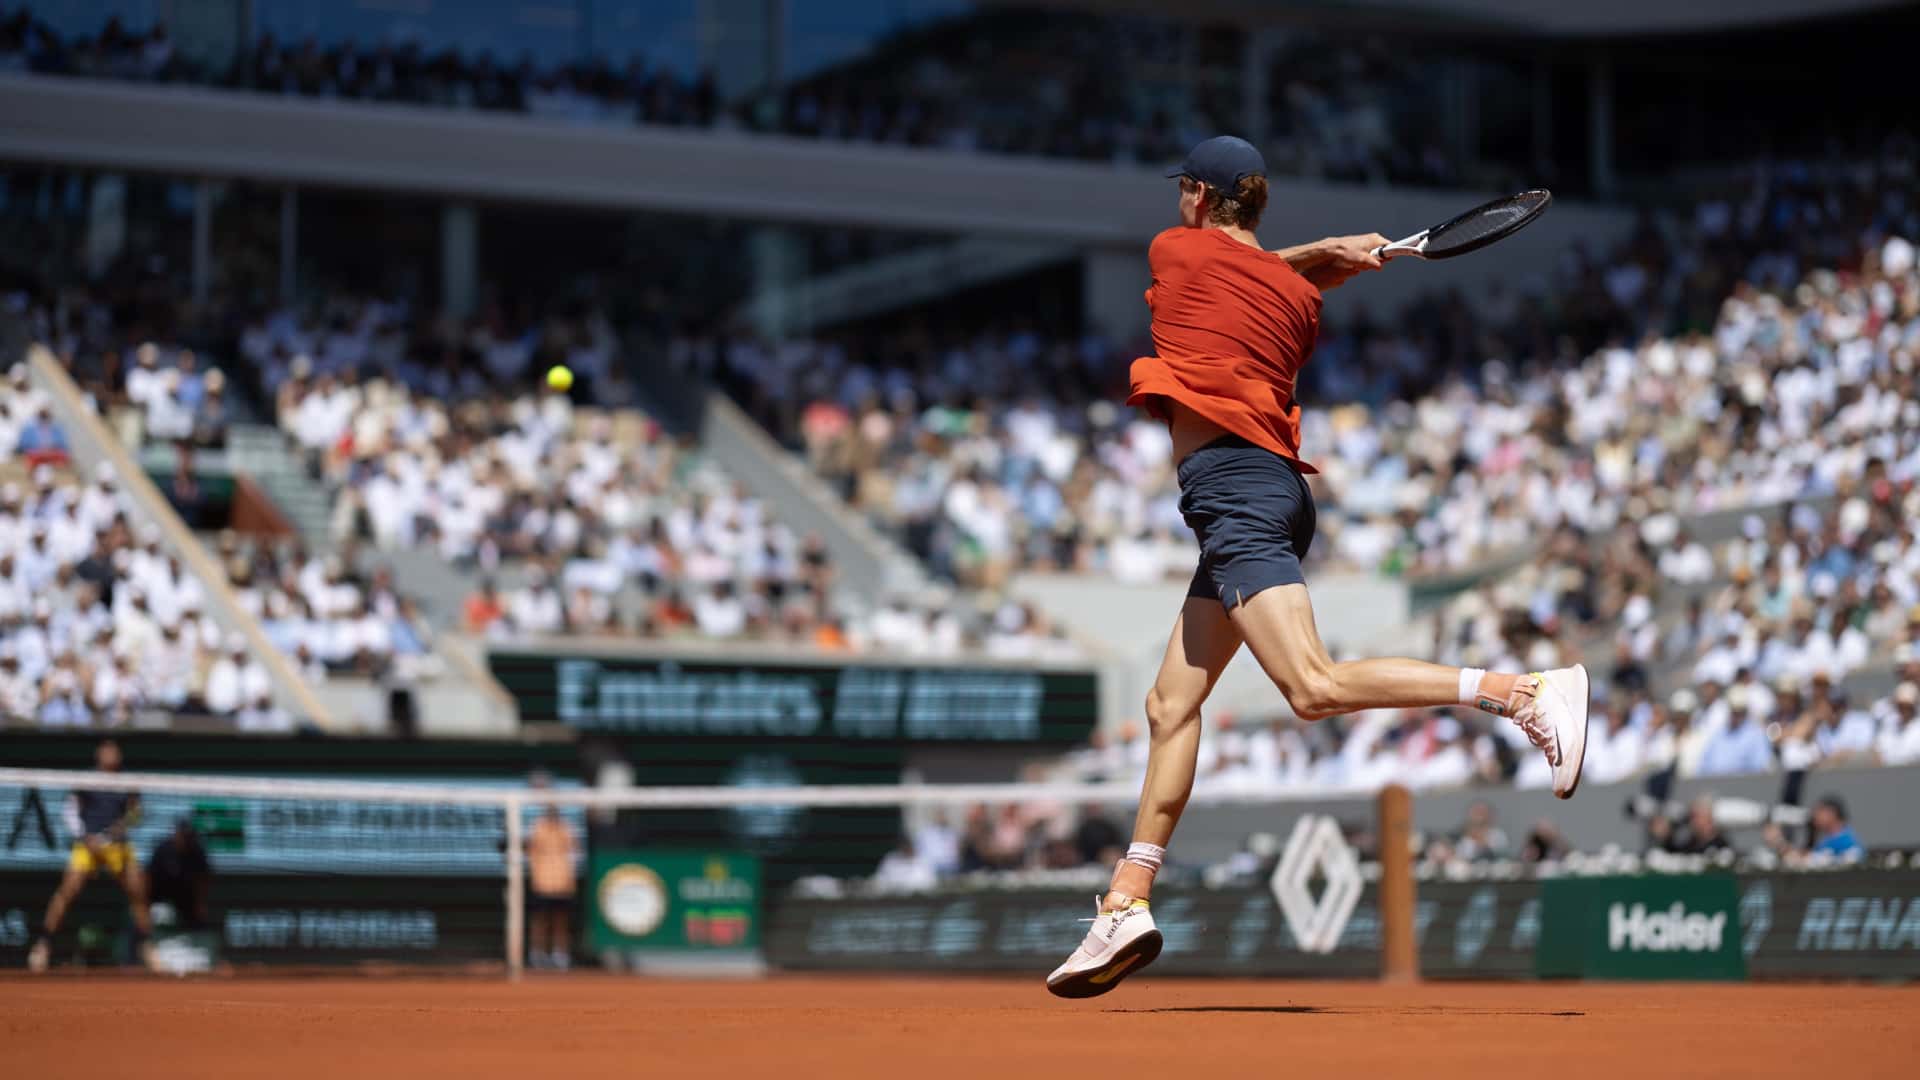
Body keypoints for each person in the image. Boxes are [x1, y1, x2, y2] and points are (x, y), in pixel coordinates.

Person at [1046, 136, 1589, 998]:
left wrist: (1327, 252)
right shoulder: (1298, 301)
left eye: (1183, 193)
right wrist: (1324, 256)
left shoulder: (1177, 249)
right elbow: (1270, 272)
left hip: (1234, 493)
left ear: (1195, 195)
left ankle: (1521, 693)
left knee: (1313, 687)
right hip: (1265, 494)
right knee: (1169, 704)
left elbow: (1237, 263)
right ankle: (1127, 901)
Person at [27, 740, 155, 972]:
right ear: (98, 756)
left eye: (115, 752)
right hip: (87, 845)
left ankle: (147, 947)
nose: (111, 755)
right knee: (67, 890)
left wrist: (121, 827)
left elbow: (136, 813)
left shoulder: (128, 783)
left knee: (138, 892)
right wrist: (86, 836)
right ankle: (43, 945)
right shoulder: (85, 781)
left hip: (118, 846)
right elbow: (70, 811)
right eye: (107, 752)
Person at [525, 803, 577, 970]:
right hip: (541, 883)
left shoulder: (566, 828)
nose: (553, 813)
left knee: (561, 920)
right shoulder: (538, 828)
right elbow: (531, 852)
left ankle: (560, 954)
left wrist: (569, 880)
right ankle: (537, 953)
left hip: (562, 883)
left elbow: (573, 854)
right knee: (539, 920)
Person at [145, 818, 213, 929]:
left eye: (188, 837)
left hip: (185, 896)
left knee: (198, 922)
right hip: (160, 895)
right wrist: (146, 904)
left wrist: (200, 905)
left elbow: (202, 879)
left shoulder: (197, 851)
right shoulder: (163, 849)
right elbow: (148, 877)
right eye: (183, 836)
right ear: (176, 834)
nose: (185, 840)